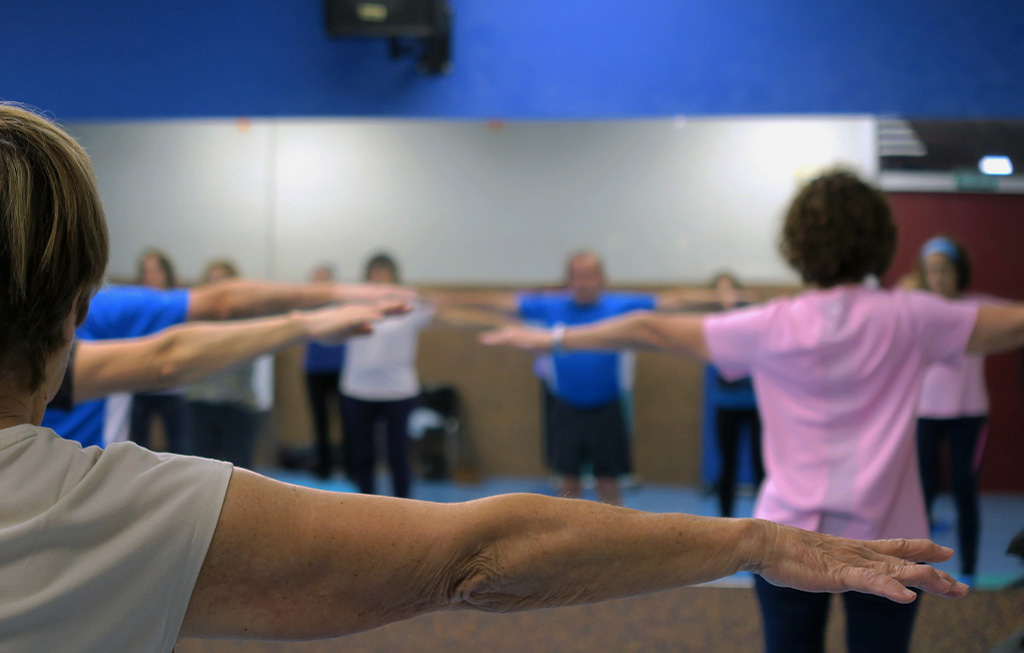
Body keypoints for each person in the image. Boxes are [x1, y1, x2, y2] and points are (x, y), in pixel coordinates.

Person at [0, 104, 967, 651]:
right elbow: (484, 550)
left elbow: (642, 320)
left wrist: (314, 310)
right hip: (816, 517)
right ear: (77, 313)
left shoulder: (769, 318)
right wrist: (757, 539)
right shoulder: (91, 512)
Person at [481, 171, 1024, 653]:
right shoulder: (914, 317)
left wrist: (554, 336)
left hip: (787, 533)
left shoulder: (770, 323)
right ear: (881, 242)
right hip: (888, 535)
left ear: (797, 245)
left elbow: (645, 328)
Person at [433, 253, 734, 505]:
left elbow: (673, 301)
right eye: (577, 276)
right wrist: (447, 299)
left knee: (608, 480)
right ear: (569, 280)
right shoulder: (552, 305)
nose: (583, 282)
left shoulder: (619, 305)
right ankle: (569, 537)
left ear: (602, 279)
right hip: (566, 407)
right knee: (568, 480)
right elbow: (499, 302)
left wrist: (718, 297)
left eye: (589, 276)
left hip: (607, 406)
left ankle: (618, 536)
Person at [42, 269, 413, 449]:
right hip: (69, 506)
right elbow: (165, 360)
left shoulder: (98, 307)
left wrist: (336, 291)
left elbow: (223, 301)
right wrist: (309, 322)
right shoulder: (37, 347)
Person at [916, 235, 1007, 585]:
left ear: (958, 271)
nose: (938, 277)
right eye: (931, 271)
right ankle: (918, 571)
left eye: (944, 269)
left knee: (965, 491)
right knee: (922, 491)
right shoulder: (917, 308)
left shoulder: (978, 308)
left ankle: (970, 571)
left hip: (969, 415)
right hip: (925, 415)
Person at [342, 253, 436, 498]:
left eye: (385, 274)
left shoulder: (411, 306)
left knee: (399, 454)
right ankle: (364, 504)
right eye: (375, 274)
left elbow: (442, 311)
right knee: (363, 454)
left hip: (399, 390)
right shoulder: (352, 305)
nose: (380, 279)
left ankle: (403, 507)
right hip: (358, 390)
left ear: (395, 277)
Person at [182, 260, 272, 468]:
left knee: (240, 471)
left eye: (223, 282)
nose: (218, 288)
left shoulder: (248, 319)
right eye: (213, 282)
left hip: (238, 404)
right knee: (199, 470)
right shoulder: (194, 319)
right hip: (200, 404)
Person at [704, 273, 764, 518]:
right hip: (725, 406)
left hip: (753, 406)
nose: (726, 296)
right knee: (727, 466)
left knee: (760, 466)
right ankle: (725, 522)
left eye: (730, 290)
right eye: (719, 291)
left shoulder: (751, 320)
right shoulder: (709, 325)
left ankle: (766, 522)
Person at [131, 248, 188, 453]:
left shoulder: (177, 303)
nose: (150, 276)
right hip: (141, 383)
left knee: (177, 443)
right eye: (145, 271)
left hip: (171, 384)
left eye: (155, 271)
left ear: (166, 274)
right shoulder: (134, 303)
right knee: (137, 442)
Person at [304, 264, 348, 479]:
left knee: (345, 418)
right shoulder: (306, 307)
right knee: (319, 419)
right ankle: (324, 465)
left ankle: (349, 464)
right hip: (314, 368)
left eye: (324, 279)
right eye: (316, 279)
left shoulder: (342, 306)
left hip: (339, 367)